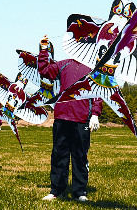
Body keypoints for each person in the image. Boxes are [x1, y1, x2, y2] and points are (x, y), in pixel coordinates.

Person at [38, 36, 103, 202]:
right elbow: (45, 71)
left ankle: (80, 192)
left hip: (82, 119)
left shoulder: (93, 67)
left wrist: (95, 113)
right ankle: (56, 190)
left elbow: (99, 92)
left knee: (80, 156)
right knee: (59, 154)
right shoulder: (63, 64)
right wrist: (44, 50)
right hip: (61, 117)